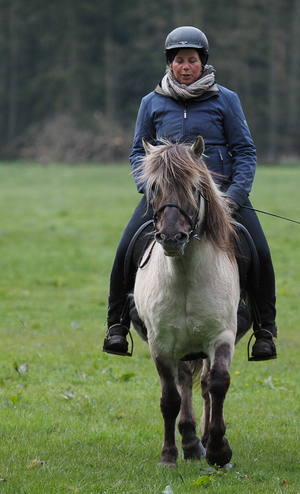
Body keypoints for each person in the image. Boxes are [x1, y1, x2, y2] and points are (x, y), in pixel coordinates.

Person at [102, 26, 277, 361]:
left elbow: (245, 151)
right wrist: (149, 186)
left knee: (260, 253)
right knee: (125, 250)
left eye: (191, 60)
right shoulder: (151, 102)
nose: (185, 66)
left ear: (203, 63)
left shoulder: (226, 100)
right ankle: (117, 326)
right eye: (179, 60)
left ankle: (264, 332)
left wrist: (235, 197)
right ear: (170, 64)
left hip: (221, 196)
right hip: (166, 196)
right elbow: (138, 153)